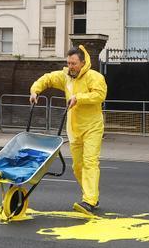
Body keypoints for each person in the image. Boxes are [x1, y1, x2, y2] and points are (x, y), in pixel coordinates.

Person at [29, 46, 108, 217]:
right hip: (74, 129)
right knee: (77, 166)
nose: (70, 66)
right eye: (68, 63)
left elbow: (99, 95)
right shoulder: (66, 77)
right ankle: (90, 194)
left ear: (82, 63)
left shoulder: (94, 77)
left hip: (92, 127)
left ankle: (89, 200)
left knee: (90, 162)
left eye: (74, 63)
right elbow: (47, 79)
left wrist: (78, 98)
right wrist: (35, 90)